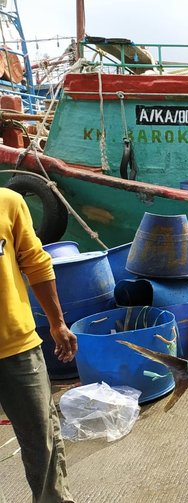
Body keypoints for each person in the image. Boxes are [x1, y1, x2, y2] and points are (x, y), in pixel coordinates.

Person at [0, 187, 78, 503]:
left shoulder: (9, 202)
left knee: (42, 442)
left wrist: (57, 323)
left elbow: (36, 263)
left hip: (17, 346)